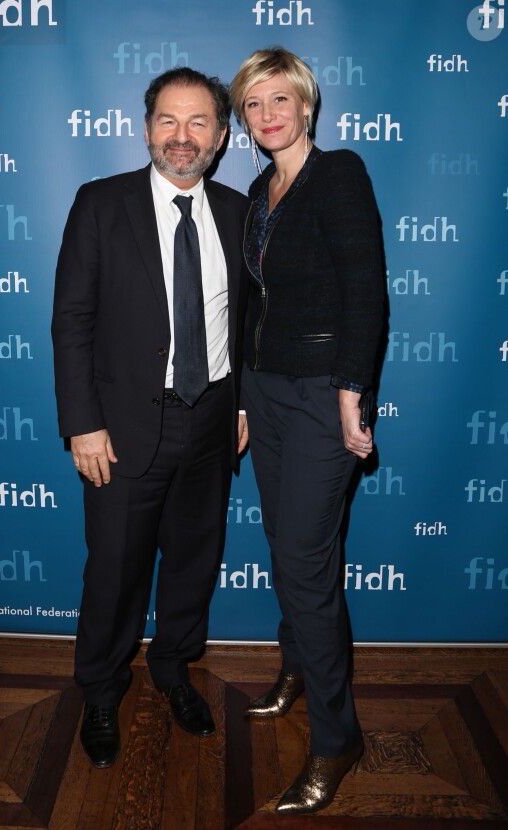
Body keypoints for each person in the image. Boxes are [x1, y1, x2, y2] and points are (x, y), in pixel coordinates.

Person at [52, 67, 249, 769]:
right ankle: (101, 691)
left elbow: (250, 322)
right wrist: (82, 422)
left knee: (194, 564)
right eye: (168, 120)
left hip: (212, 421)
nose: (182, 136)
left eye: (199, 123)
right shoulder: (101, 204)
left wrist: (245, 401)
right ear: (145, 129)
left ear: (222, 138)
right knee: (114, 570)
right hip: (124, 428)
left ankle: (173, 671)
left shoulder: (237, 211)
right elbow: (72, 321)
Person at [230, 48, 385, 814]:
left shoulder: (340, 174)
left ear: (306, 104)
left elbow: (367, 294)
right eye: (253, 104)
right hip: (266, 391)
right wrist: (242, 401)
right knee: (287, 553)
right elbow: (255, 309)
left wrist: (354, 395)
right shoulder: (261, 188)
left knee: (304, 560)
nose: (267, 115)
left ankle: (337, 737)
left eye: (279, 99)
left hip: (324, 396)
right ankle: (296, 667)